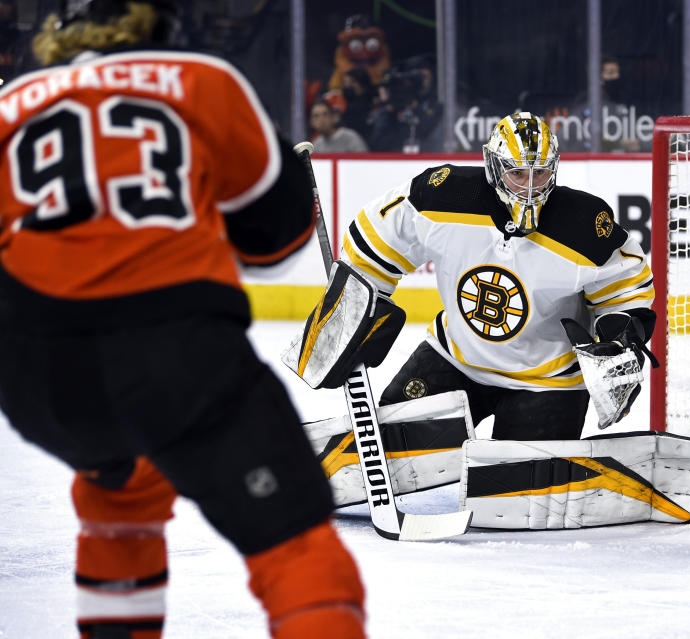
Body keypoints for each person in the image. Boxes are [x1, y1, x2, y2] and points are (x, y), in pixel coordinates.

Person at [0, 2, 364, 638]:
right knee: (298, 545)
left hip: (36, 373)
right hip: (174, 351)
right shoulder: (200, 78)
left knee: (122, 493)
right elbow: (274, 242)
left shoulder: (13, 102)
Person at [337, 112, 655, 440]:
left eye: (540, 173)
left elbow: (627, 287)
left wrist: (621, 339)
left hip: (548, 382)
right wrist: (358, 303)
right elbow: (377, 235)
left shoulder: (583, 224)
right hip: (456, 359)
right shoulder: (445, 195)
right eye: (518, 173)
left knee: (521, 489)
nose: (530, 187)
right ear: (494, 166)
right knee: (393, 447)